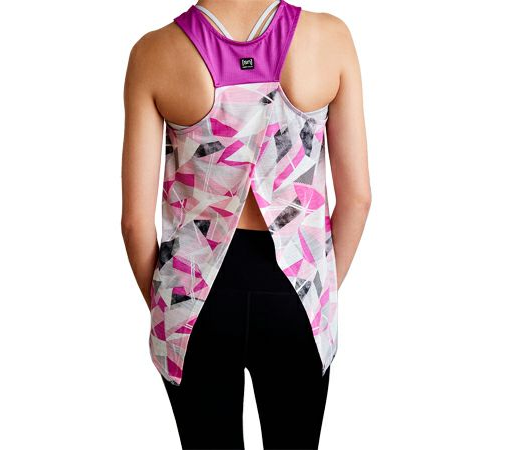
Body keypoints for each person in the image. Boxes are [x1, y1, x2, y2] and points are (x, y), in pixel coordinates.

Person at [121, 0, 371, 448]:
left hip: (194, 296)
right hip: (296, 292)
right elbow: (357, 199)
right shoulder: (330, 38)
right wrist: (317, 291)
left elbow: (135, 224)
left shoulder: (154, 52)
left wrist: (171, 306)